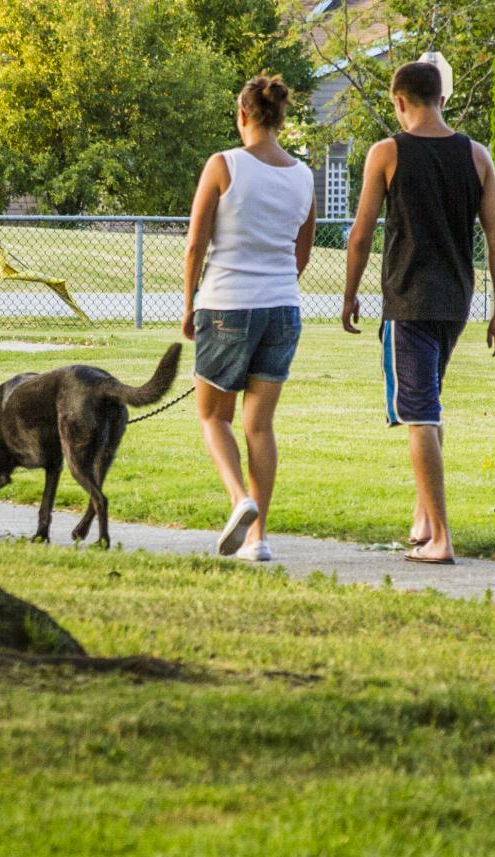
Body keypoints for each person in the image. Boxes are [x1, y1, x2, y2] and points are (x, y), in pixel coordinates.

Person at [340, 60, 495, 566]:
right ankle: (422, 518)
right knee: (428, 406)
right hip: (455, 301)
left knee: (418, 414)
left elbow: (361, 233)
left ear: (398, 101)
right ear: (441, 98)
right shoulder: (477, 156)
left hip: (408, 300)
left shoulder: (387, 152)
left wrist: (349, 295)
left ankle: (440, 537)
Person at [181, 75, 316, 562]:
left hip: (227, 303)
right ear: (280, 119)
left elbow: (196, 242)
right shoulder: (304, 175)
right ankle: (259, 541)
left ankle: (240, 500)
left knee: (213, 416)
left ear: (243, 116)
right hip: (283, 307)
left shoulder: (223, 165)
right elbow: (303, 252)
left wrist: (188, 303)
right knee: (259, 426)